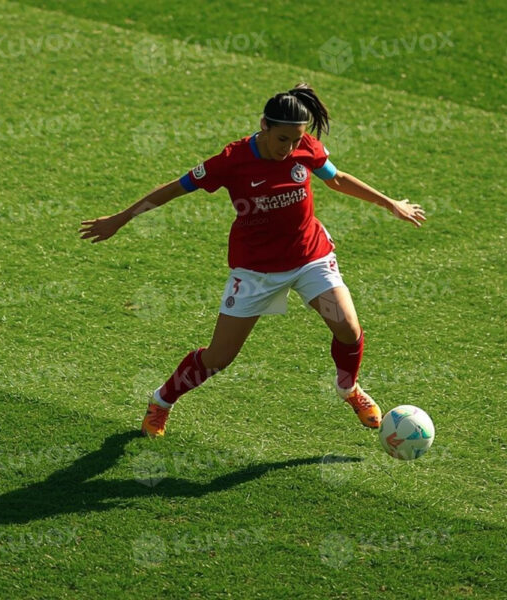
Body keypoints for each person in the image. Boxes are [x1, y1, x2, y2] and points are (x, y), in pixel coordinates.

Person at [79, 83, 426, 437]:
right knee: (219, 358)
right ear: (263, 125)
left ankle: (348, 389)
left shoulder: (304, 147)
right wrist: (119, 219)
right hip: (257, 271)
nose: (289, 148)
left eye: (296, 140)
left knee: (348, 329)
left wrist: (389, 203)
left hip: (310, 258)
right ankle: (161, 403)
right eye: (282, 139)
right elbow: (174, 188)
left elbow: (336, 179)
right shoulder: (232, 161)